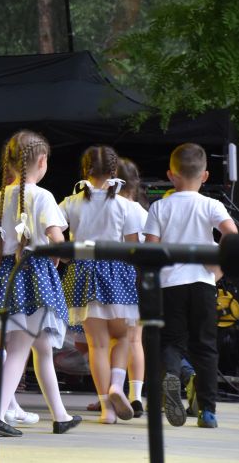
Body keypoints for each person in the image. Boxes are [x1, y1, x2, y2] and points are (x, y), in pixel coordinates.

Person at [0, 130, 80, 437]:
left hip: (6, 275)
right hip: (34, 276)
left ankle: (60, 416)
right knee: (21, 347)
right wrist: (62, 256)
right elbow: (56, 238)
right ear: (42, 161)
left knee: (42, 347)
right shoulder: (43, 196)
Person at [144, 143, 237, 428]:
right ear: (205, 176)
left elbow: (150, 249)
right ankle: (208, 411)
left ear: (170, 175)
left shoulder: (159, 207)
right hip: (202, 283)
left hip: (170, 284)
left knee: (170, 342)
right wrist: (217, 264)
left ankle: (172, 376)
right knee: (205, 346)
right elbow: (231, 234)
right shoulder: (211, 205)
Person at [59, 146, 142, 424]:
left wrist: (68, 256)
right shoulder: (126, 205)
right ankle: (117, 385)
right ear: (114, 170)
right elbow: (133, 247)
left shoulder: (70, 203)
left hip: (83, 273)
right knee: (123, 338)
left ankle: (107, 409)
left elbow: (54, 238)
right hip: (118, 272)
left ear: (85, 170)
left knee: (97, 346)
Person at [118, 157, 148, 417]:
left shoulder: (109, 207)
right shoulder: (141, 211)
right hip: (136, 276)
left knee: (108, 340)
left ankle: (110, 392)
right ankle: (135, 396)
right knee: (134, 339)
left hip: (109, 276)